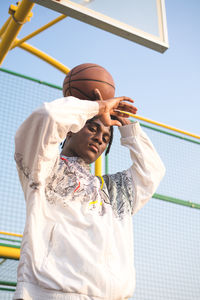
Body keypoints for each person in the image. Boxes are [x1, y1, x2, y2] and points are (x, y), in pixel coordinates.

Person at [13, 88, 165, 300]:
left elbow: (153, 169)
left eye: (106, 137)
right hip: (50, 293)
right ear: (70, 130)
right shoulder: (44, 167)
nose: (100, 138)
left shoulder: (115, 190)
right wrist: (98, 107)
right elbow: (48, 116)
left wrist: (126, 125)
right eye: (92, 128)